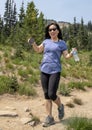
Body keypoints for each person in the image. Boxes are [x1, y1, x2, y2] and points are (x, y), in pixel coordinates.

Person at [28, 22, 74, 127]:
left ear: (58, 31)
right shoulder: (46, 41)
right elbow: (38, 50)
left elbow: (66, 56)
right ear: (48, 32)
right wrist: (33, 43)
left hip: (55, 71)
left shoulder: (62, 43)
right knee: (46, 95)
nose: (52, 31)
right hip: (44, 70)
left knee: (52, 94)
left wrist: (71, 54)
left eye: (54, 29)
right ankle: (49, 117)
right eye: (50, 30)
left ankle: (60, 106)